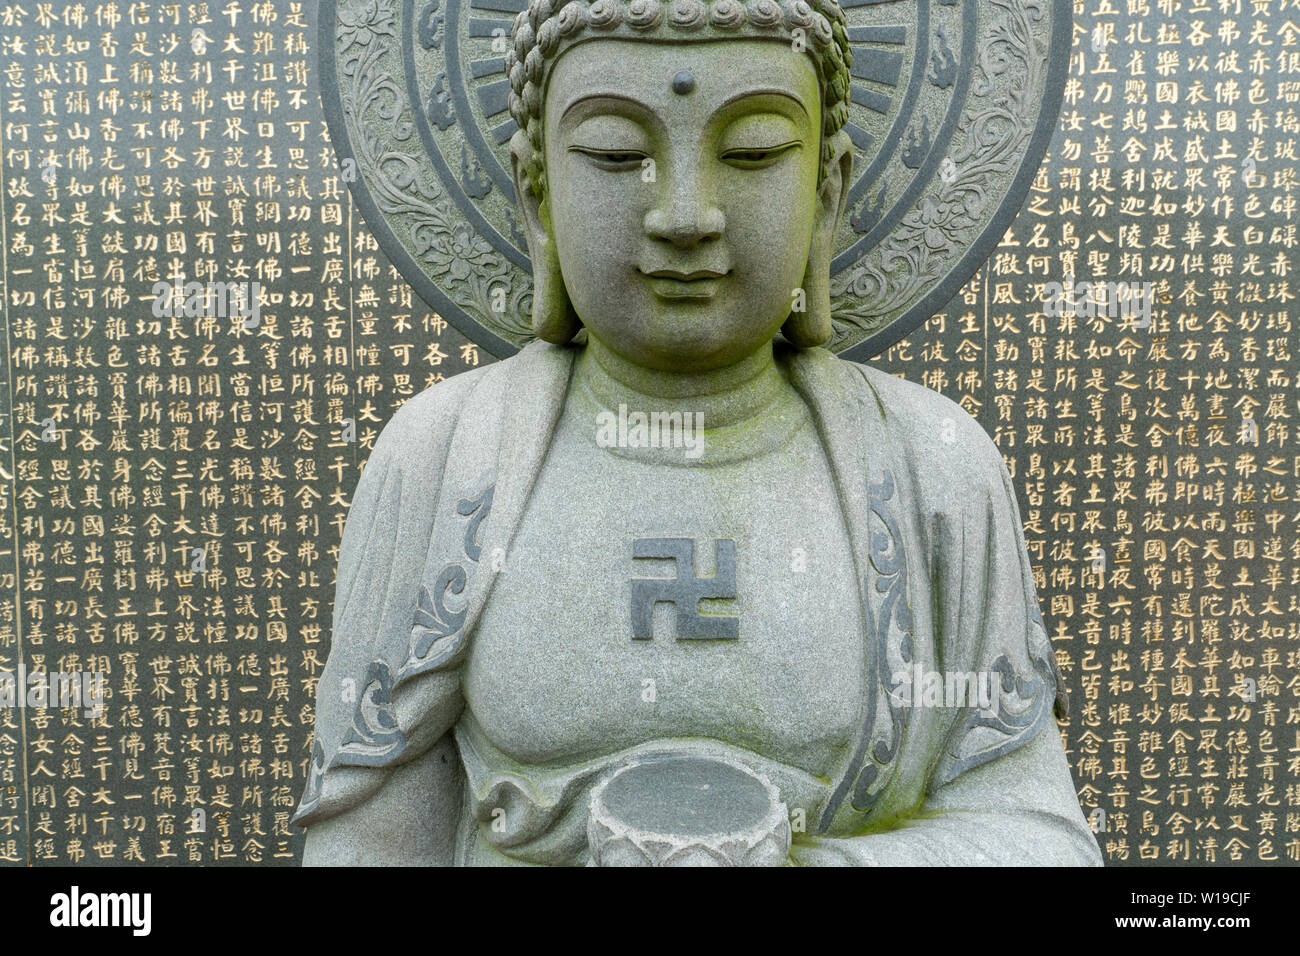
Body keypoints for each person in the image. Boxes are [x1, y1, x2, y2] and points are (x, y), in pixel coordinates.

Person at [293, 0, 1102, 865]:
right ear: (539, 196)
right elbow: (365, 841)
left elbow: (1041, 838)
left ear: (825, 195)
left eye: (752, 152)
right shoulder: (440, 456)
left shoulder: (934, 465)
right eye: (615, 153)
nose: (686, 214)